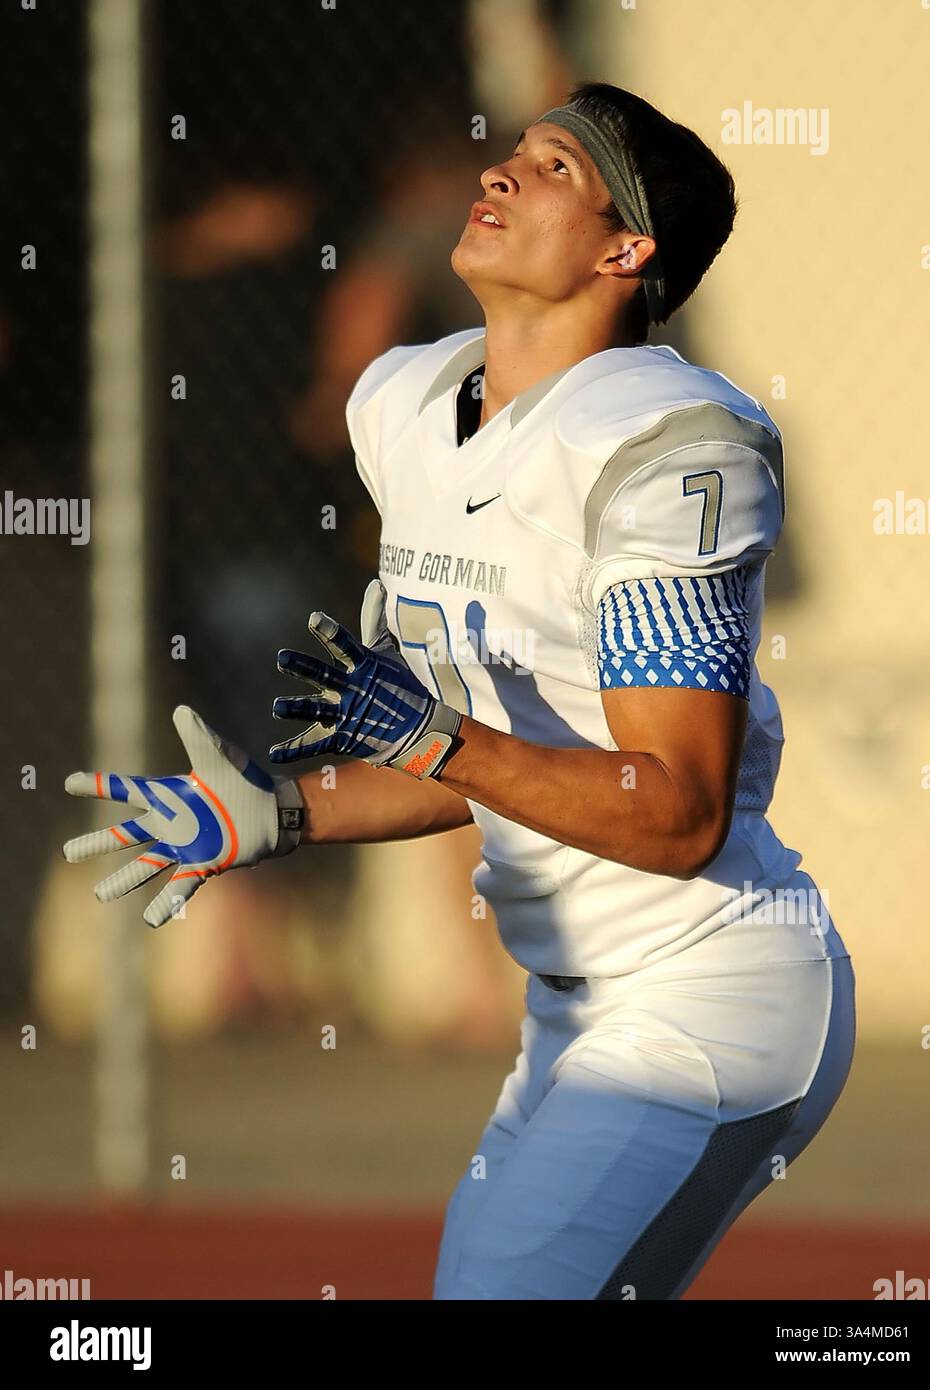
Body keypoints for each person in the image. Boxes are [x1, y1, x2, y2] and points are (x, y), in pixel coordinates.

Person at [63, 82, 855, 1300]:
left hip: (707, 988)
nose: (499, 172)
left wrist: (444, 742)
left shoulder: (662, 443)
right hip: (571, 1012)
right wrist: (283, 811)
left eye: (554, 168)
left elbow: (678, 808)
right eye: (514, 151)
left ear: (624, 248)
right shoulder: (407, 405)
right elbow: (511, 753)